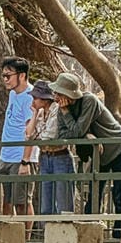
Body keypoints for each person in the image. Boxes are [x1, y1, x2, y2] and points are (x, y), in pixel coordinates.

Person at [50, 71, 121, 243]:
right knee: (94, 193)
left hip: (118, 147)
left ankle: (120, 239)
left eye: (58, 93)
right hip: (98, 155)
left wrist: (81, 131)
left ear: (68, 94)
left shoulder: (89, 101)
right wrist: (85, 134)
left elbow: (76, 131)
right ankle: (89, 236)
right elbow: (65, 135)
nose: (56, 97)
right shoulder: (63, 110)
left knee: (120, 193)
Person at [26, 80, 75, 218]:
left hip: (60, 156)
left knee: (63, 204)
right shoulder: (41, 113)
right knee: (46, 205)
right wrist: (34, 114)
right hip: (45, 157)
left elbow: (49, 136)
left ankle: (64, 236)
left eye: (36, 98)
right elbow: (29, 135)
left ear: (45, 99)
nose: (33, 101)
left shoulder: (57, 110)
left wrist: (38, 138)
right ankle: (46, 234)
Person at [0, 57, 35, 222]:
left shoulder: (30, 96)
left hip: (21, 156)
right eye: (3, 75)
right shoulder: (13, 94)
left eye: (9, 75)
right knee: (6, 201)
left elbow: (30, 131)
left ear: (22, 75)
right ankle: (7, 240)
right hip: (6, 154)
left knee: (22, 202)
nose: (5, 79)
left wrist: (25, 161)